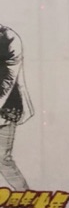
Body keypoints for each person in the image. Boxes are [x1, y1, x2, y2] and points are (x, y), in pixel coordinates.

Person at [0, 23, 33, 191]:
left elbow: (8, 80)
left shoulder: (9, 37)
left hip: (5, 108)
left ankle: (27, 197)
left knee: (2, 159)